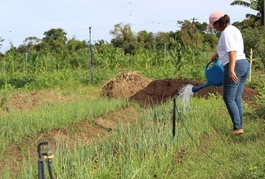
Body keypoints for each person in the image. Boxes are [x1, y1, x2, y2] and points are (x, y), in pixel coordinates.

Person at [207, 11, 250, 135]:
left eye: (214, 25)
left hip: (235, 65)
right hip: (244, 64)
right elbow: (231, 49)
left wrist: (231, 70)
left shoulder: (226, 33)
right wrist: (218, 55)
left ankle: (237, 128)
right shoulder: (234, 29)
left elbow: (232, 51)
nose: (214, 28)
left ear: (219, 23)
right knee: (236, 98)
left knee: (228, 97)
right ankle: (239, 126)